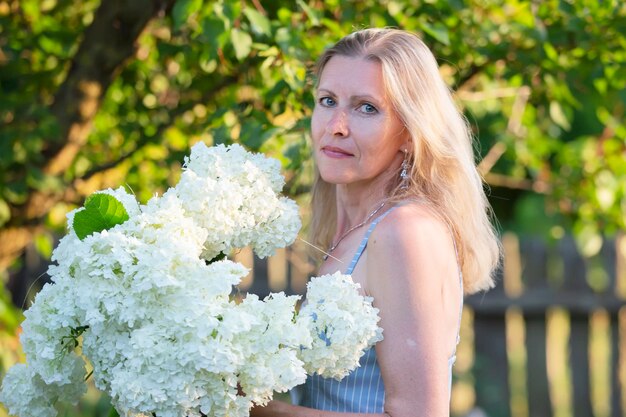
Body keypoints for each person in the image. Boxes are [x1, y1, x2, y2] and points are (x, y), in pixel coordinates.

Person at [251, 28, 501, 417]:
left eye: (366, 107)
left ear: (408, 132)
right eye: (327, 100)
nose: (337, 124)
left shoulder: (406, 232)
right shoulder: (351, 232)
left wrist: (253, 410)